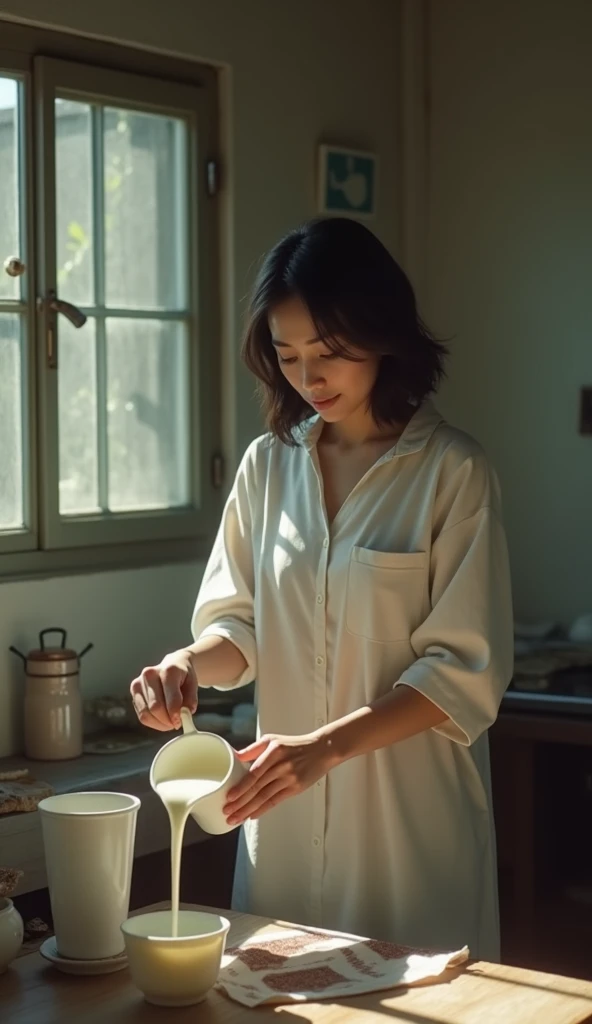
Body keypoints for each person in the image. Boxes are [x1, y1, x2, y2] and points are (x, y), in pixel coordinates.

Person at [131, 216, 513, 962]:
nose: (310, 378)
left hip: (409, 843)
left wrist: (323, 749)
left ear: (382, 333)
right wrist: (185, 664)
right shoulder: (266, 468)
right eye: (289, 354)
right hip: (286, 846)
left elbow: (462, 676)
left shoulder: (453, 474)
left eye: (331, 352)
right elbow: (238, 627)